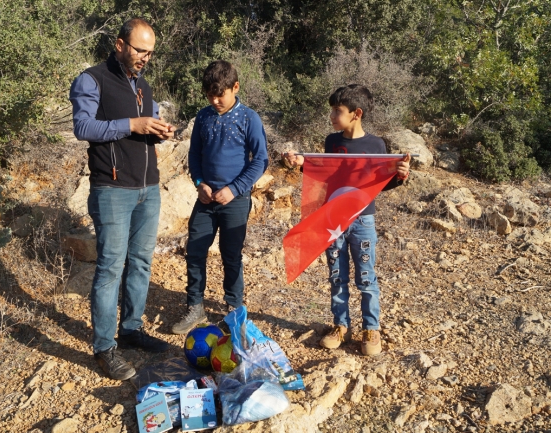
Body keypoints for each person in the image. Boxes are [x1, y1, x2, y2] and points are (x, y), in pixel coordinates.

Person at [69, 18, 175, 380]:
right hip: (112, 190)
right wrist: (133, 124)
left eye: (150, 52)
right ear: (119, 44)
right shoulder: (92, 79)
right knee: (111, 267)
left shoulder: (143, 84)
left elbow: (148, 128)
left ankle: (131, 329)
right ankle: (104, 347)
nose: (146, 58)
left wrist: (159, 130)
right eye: (140, 50)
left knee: (142, 262)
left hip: (148, 188)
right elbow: (83, 127)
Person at [284, 84, 410, 356]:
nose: (331, 115)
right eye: (331, 110)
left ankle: (370, 328)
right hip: (334, 220)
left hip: (363, 221)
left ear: (357, 113)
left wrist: (399, 176)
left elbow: (379, 184)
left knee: (366, 277)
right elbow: (327, 173)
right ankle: (341, 326)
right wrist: (302, 163)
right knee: (337, 276)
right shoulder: (332, 142)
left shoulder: (376, 145)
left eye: (337, 111)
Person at [171, 60, 269, 334]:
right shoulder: (203, 117)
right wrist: (199, 183)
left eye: (220, 94)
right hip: (205, 200)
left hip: (234, 201)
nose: (215, 100)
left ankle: (233, 310)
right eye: (209, 95)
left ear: (235, 87)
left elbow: (260, 160)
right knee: (195, 251)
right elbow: (195, 156)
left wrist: (235, 189)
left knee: (231, 255)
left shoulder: (249, 118)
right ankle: (195, 307)